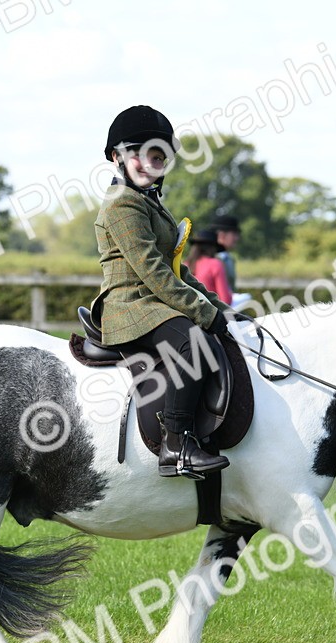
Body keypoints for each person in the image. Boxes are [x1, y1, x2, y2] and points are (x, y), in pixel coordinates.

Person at [90, 105, 235, 479]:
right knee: (194, 343)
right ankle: (177, 444)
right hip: (131, 305)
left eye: (157, 157)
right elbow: (153, 272)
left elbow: (176, 269)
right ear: (117, 157)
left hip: (153, 301)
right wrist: (204, 316)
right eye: (138, 154)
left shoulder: (147, 202)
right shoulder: (122, 204)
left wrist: (217, 305)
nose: (148, 163)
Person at [184, 227, 232, 304]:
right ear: (213, 247)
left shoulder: (185, 265)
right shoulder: (215, 264)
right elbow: (225, 300)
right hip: (210, 312)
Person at [212, 214, 251, 308]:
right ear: (222, 235)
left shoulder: (229, 258)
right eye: (234, 234)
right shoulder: (213, 259)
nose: (237, 238)